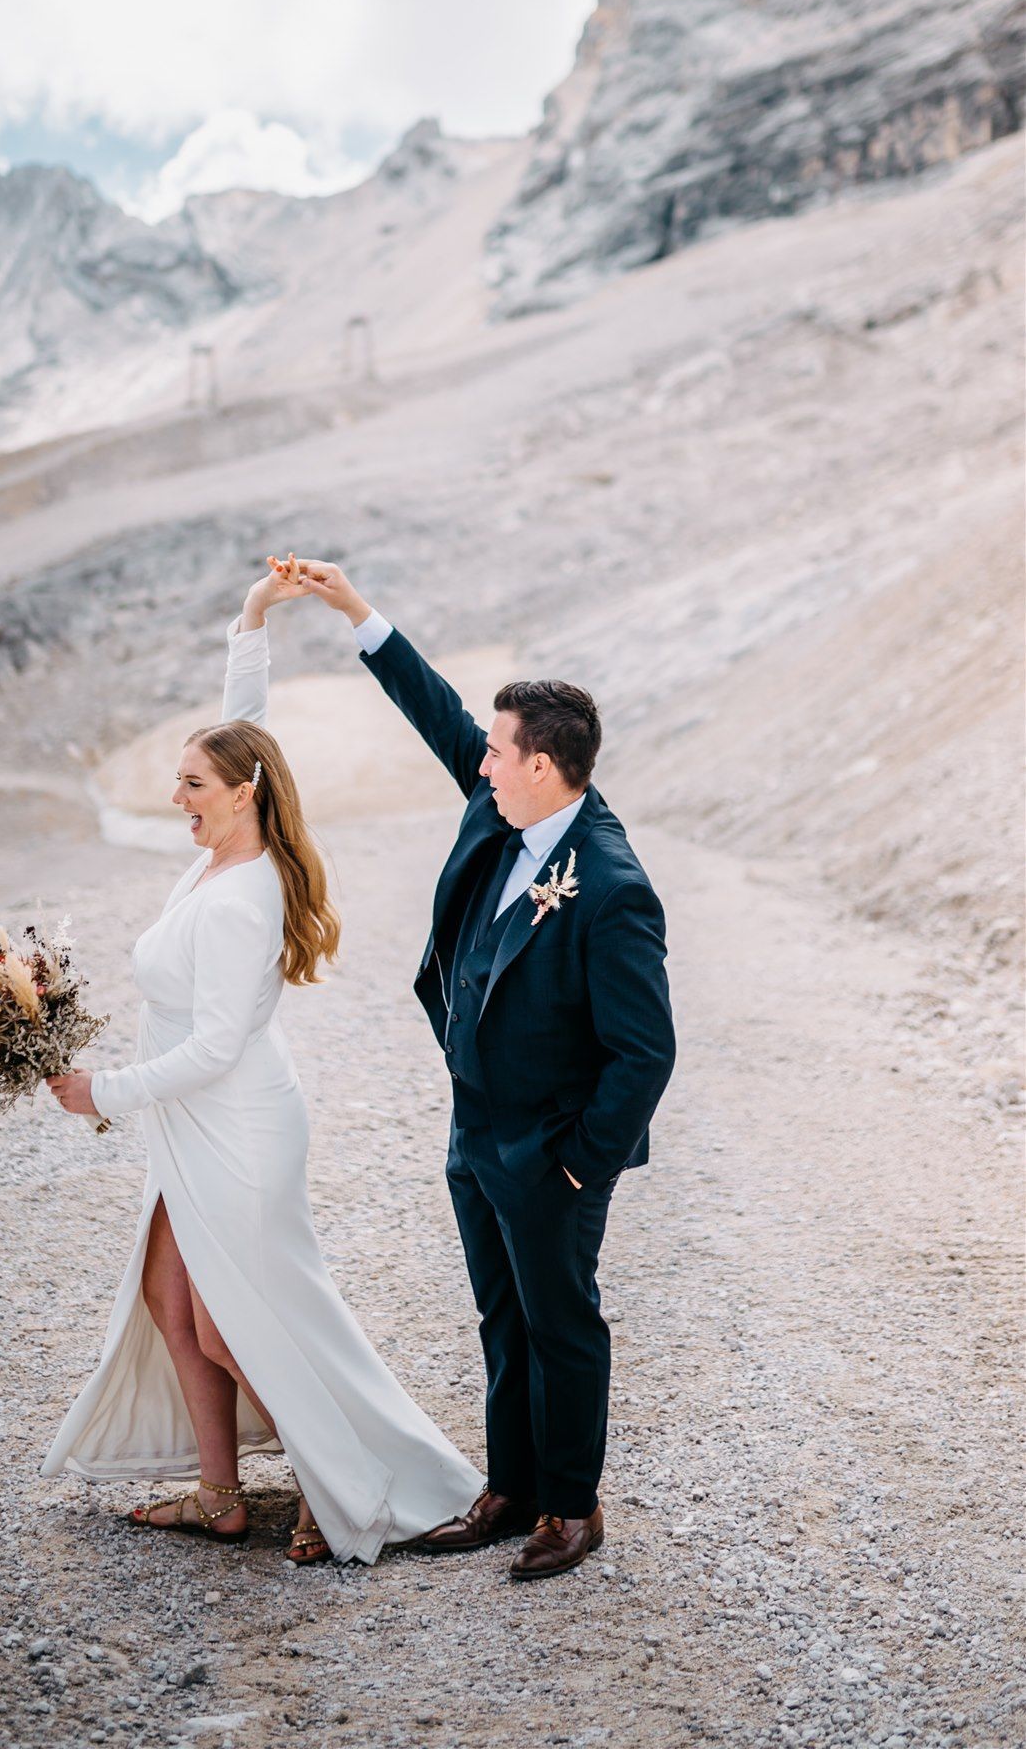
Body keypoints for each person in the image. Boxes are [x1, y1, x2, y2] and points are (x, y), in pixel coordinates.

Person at [40, 556, 483, 1565]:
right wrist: (253, 615)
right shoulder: (220, 849)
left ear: (238, 795)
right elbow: (245, 726)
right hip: (194, 1127)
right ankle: (220, 1491)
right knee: (172, 1303)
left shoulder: (246, 894)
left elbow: (216, 1044)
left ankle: (348, 1484)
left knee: (238, 1318)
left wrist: (98, 1090)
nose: (175, 794)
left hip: (235, 1127)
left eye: (191, 782)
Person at [291, 556, 676, 1582]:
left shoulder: (611, 886)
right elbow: (442, 716)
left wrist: (580, 1162)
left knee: (561, 1320)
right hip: (474, 1127)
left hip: (548, 1144)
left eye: (500, 753)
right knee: (500, 1312)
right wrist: (358, 614)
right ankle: (508, 1489)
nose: (483, 763)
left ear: (544, 765)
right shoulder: (502, 805)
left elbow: (648, 1049)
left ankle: (569, 1506)